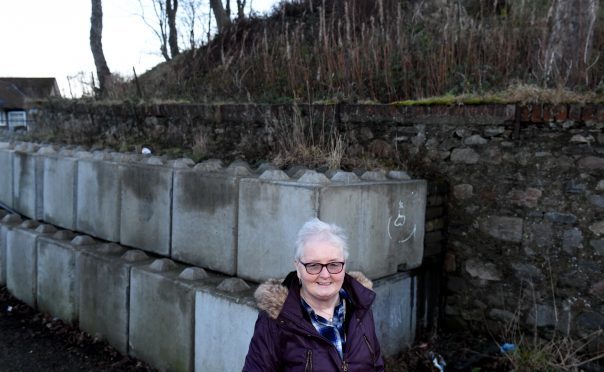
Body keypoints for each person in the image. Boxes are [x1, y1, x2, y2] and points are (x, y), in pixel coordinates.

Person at [243, 218, 385, 371]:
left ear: (344, 265)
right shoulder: (275, 322)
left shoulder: (360, 309)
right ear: (298, 268)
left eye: (334, 264)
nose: (325, 275)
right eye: (314, 265)